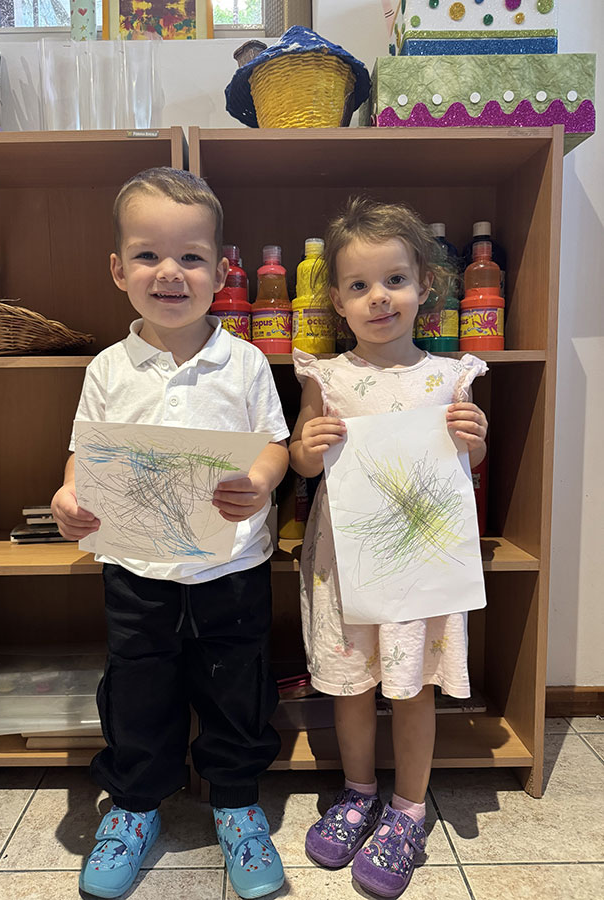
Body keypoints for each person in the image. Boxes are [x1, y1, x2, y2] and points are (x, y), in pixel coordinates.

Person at [51, 167, 289, 900]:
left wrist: (262, 480)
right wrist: (67, 496)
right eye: (148, 255)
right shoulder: (108, 368)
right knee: (136, 693)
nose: (170, 272)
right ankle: (133, 805)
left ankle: (235, 804)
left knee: (237, 691)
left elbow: (274, 445)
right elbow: (83, 455)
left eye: (191, 257)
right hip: (136, 571)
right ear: (117, 269)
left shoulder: (245, 362)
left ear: (221, 270)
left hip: (232, 570)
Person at [289, 198, 488, 899]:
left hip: (420, 569)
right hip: (345, 568)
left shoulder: (450, 377)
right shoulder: (325, 377)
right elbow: (302, 462)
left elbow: (469, 461)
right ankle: (357, 792)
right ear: (337, 301)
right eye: (358, 285)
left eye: (394, 280)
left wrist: (473, 438)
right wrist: (307, 446)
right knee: (351, 685)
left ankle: (407, 810)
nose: (378, 297)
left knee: (412, 687)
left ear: (425, 286)